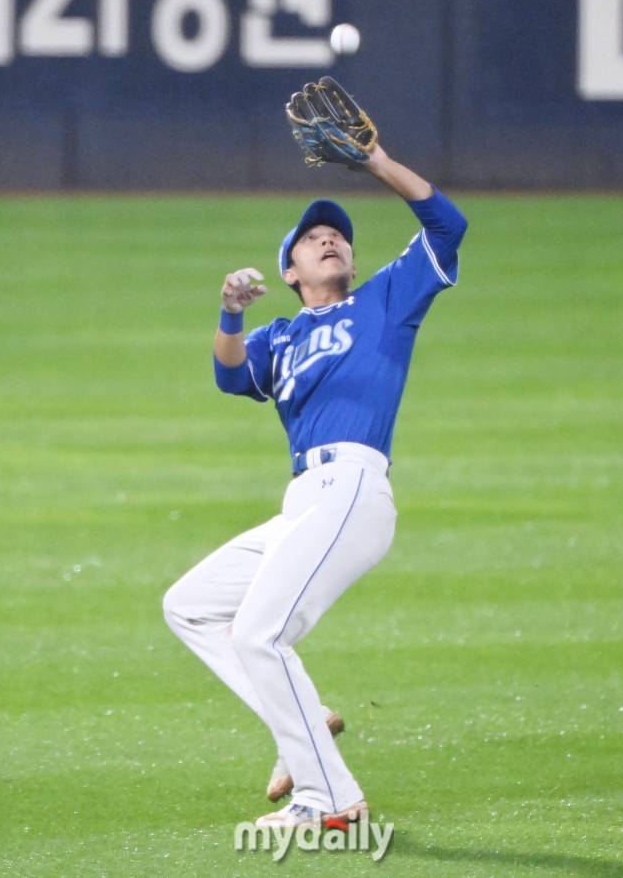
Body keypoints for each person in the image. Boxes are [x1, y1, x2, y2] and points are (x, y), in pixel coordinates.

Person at [163, 141, 468, 828]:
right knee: (189, 606)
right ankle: (296, 733)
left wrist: (377, 163)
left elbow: (448, 225)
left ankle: (328, 797)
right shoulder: (279, 336)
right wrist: (230, 310)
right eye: (311, 238)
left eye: (337, 236)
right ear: (290, 270)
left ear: (352, 262)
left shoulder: (386, 299)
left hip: (354, 488)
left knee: (260, 634)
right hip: (303, 503)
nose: (328, 238)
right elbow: (232, 375)